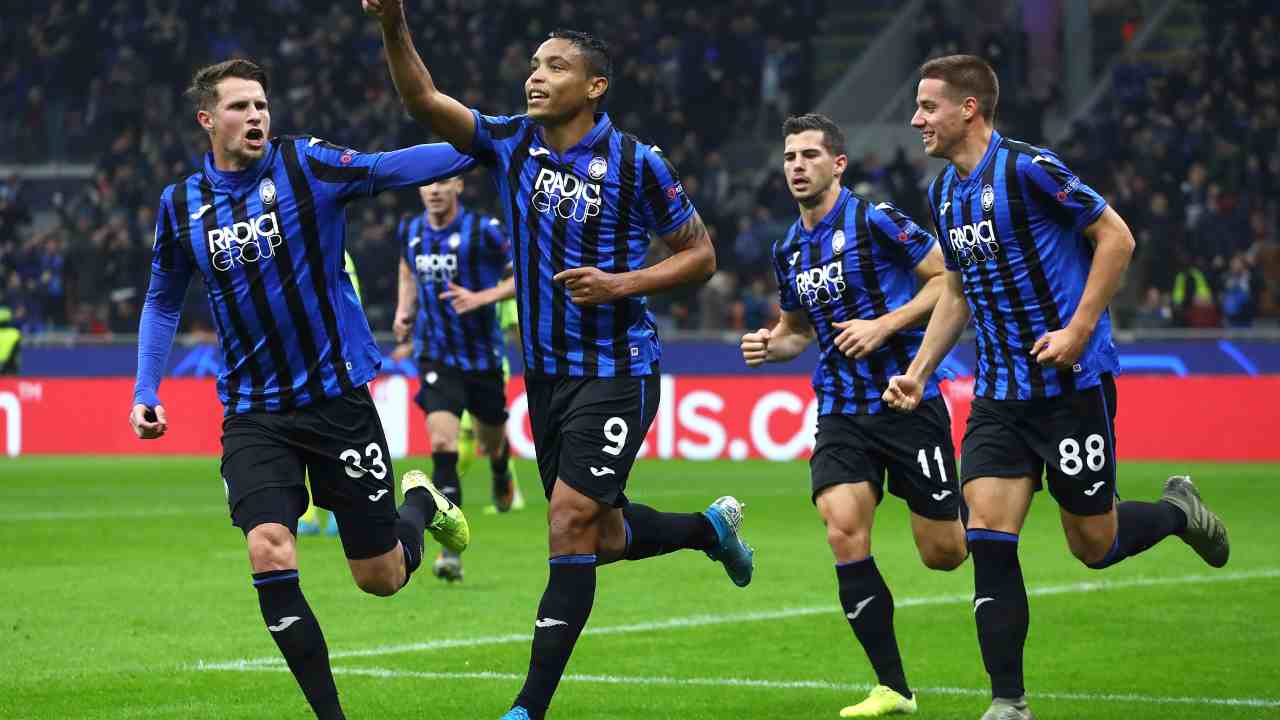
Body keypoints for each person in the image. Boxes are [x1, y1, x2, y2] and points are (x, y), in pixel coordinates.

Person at [365, 3, 755, 718]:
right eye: (535, 65)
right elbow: (422, 101)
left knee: (569, 521)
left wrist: (621, 284)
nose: (535, 77)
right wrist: (395, 24)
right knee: (599, 535)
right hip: (544, 376)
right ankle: (709, 530)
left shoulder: (639, 164)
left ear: (595, 85)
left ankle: (528, 707)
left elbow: (701, 254)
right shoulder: (513, 143)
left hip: (618, 368)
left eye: (555, 67)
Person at [128, 59, 476, 720]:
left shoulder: (306, 165)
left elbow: (386, 167)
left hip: (336, 401)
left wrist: (485, 144)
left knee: (381, 578)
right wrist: (147, 388)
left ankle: (420, 506)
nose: (256, 116)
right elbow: (163, 300)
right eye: (239, 107)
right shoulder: (182, 206)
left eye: (261, 104)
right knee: (268, 547)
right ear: (208, 120)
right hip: (256, 411)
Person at [885, 54, 1229, 720]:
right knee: (986, 533)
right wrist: (921, 370)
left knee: (1092, 545)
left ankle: (1177, 513)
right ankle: (1008, 702)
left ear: (968, 108)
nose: (915, 118)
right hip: (1000, 396)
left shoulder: (1028, 169)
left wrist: (1077, 329)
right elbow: (956, 289)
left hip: (1072, 386)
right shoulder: (944, 194)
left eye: (927, 106)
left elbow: (1116, 237)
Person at [741, 113, 965, 718]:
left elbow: (949, 282)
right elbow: (795, 332)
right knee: (841, 526)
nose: (797, 166)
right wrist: (770, 345)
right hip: (841, 407)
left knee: (944, 553)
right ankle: (893, 686)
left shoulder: (877, 219)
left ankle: (972, 502)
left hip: (905, 398)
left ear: (838, 165)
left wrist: (885, 324)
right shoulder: (787, 247)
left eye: (810, 155)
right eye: (789, 156)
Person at [392, 177, 520, 581]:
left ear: (460, 185)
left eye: (442, 182)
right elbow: (407, 269)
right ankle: (451, 553)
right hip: (436, 356)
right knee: (444, 445)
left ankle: (500, 466)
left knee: (489, 440)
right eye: (427, 184)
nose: (433, 190)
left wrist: (480, 298)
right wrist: (403, 311)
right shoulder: (410, 230)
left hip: (481, 359)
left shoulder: (485, 231)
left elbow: (525, 275)